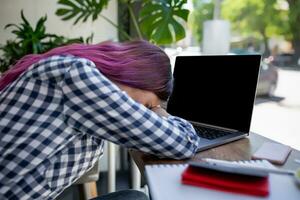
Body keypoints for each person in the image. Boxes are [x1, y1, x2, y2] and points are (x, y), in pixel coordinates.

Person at [0, 40, 201, 199]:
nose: (145, 113)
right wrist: (159, 112)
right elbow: (184, 143)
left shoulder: (75, 77)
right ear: (136, 76)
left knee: (133, 196)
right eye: (148, 106)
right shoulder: (78, 76)